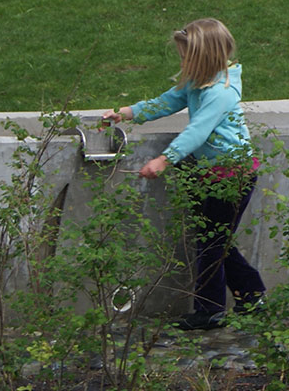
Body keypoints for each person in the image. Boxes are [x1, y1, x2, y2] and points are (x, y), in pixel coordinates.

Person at [103, 18, 265, 331]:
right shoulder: (197, 83)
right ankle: (252, 294)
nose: (182, 61)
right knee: (215, 240)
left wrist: (165, 159)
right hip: (209, 173)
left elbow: (198, 131)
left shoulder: (221, 92)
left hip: (231, 177)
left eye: (186, 56)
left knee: (211, 244)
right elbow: (165, 102)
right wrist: (125, 112)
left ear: (205, 57)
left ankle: (210, 310)